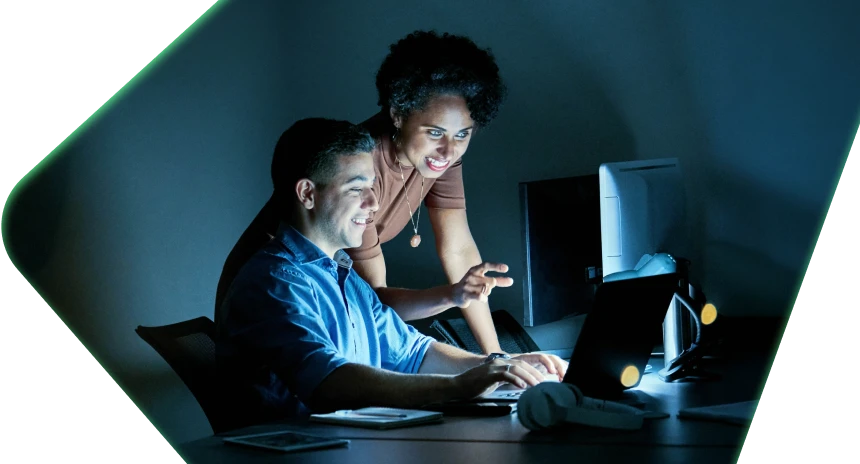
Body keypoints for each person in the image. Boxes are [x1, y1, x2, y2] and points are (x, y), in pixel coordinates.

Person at [215, 118, 568, 431]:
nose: (372, 203)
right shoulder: (275, 283)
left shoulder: (344, 278)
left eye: (372, 187)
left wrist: (501, 364)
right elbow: (330, 382)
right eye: (356, 188)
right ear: (308, 193)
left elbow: (415, 354)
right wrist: (461, 386)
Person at [216, 30, 513, 355]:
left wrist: (496, 354)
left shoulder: (439, 157)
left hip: (329, 303)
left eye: (462, 135)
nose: (448, 150)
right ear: (397, 114)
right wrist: (451, 297)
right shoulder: (359, 167)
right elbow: (374, 300)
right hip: (277, 300)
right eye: (435, 132)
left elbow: (458, 250)